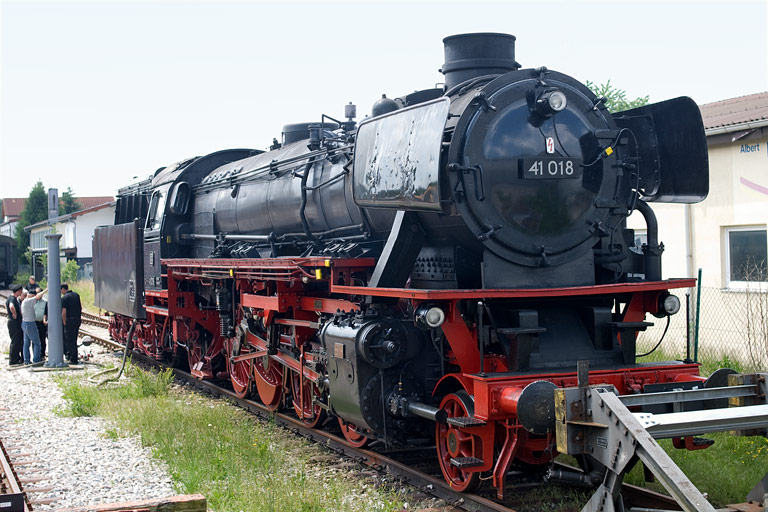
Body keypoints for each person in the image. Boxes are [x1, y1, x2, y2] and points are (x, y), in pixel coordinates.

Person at [20, 287, 47, 364]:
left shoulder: (24, 301)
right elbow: (38, 296)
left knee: (26, 343)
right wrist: (46, 289)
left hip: (24, 323)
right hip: (30, 323)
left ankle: (27, 360)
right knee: (37, 343)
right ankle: (36, 359)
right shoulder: (28, 301)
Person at [61, 283, 82, 365]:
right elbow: (80, 307)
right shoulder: (76, 295)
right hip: (77, 320)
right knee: (75, 339)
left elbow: (64, 312)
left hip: (69, 320)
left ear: (63, 289)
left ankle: (73, 358)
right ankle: (74, 356)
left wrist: (64, 322)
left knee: (70, 340)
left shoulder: (64, 298)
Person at [5, 284, 24, 365]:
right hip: (14, 322)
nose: (22, 292)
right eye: (21, 291)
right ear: (18, 291)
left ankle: (15, 357)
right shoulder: (13, 299)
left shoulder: (10, 298)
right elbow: (11, 306)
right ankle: (13, 360)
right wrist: (15, 314)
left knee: (16, 340)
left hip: (12, 322)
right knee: (15, 340)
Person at [34, 287, 48, 359]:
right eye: (36, 293)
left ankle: (42, 354)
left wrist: (45, 320)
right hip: (34, 322)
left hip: (42, 323)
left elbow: (46, 313)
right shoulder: (33, 301)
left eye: (39, 292)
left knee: (42, 339)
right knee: (35, 339)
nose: (37, 294)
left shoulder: (45, 302)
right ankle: (35, 354)